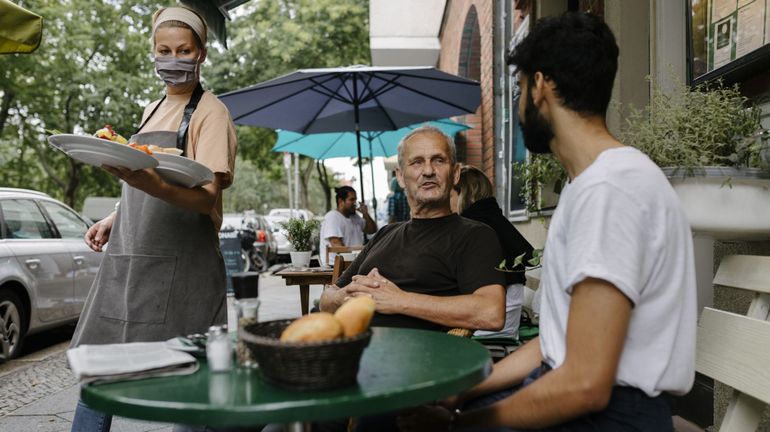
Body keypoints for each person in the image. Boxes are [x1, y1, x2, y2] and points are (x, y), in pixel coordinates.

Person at [398, 12, 696, 431]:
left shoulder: (611, 191)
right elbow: (553, 347)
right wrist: (462, 392)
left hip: (609, 416)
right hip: (576, 393)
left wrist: (457, 427)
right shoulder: (586, 186)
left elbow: (586, 385)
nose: (518, 107)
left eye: (518, 89)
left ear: (539, 86)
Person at [70, 6, 238, 432]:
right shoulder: (151, 107)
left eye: (184, 50)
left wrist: (154, 189)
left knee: (189, 379)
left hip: (182, 269)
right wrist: (114, 215)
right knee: (99, 372)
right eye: (164, 50)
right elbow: (138, 172)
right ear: (153, 51)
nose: (173, 58)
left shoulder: (210, 113)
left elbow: (206, 198)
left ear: (200, 54)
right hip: (129, 258)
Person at [320, 126, 506, 333]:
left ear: (455, 174)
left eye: (438, 160)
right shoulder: (385, 233)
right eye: (417, 162)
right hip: (350, 349)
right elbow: (326, 302)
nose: (428, 171)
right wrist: (349, 297)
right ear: (400, 177)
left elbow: (491, 313)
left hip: (419, 358)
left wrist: (398, 300)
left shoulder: (474, 235)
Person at [451, 165, 533, 339]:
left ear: (465, 194)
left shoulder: (475, 227)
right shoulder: (494, 219)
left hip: (489, 328)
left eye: (450, 195)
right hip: (507, 321)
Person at [319, 186, 377, 266]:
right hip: (336, 266)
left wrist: (366, 214)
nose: (355, 203)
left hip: (353, 263)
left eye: (355, 200)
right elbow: (337, 245)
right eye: (351, 199)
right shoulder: (332, 217)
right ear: (341, 201)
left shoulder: (354, 217)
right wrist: (360, 252)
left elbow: (372, 230)